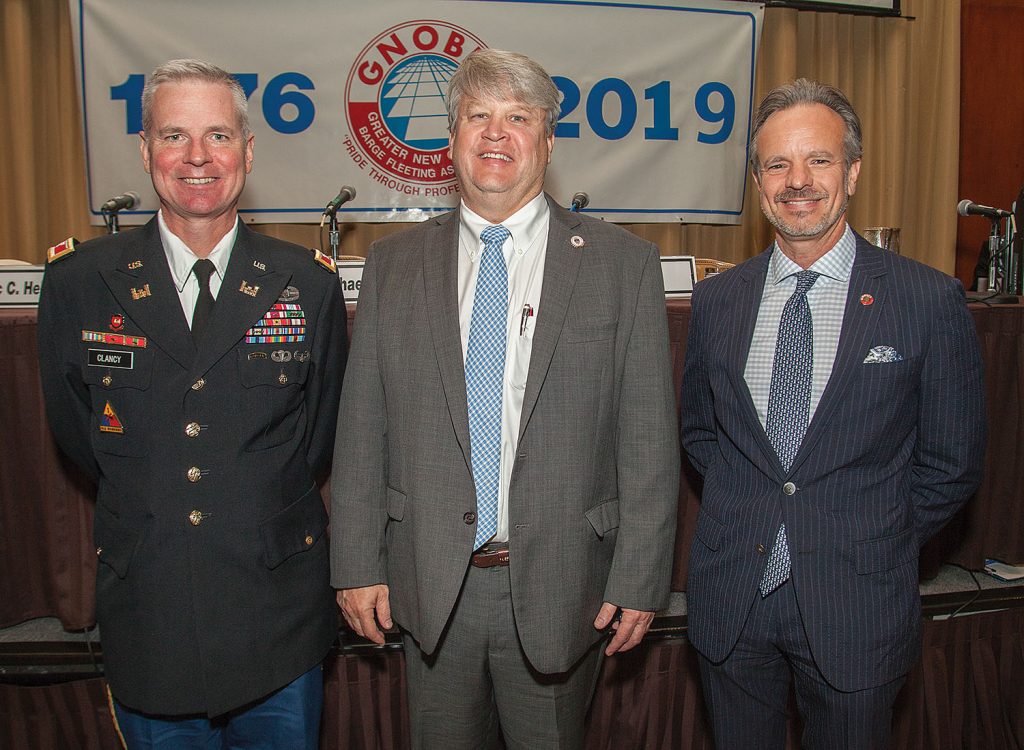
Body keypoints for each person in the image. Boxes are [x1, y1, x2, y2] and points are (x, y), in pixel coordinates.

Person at [330, 48, 678, 749]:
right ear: (450, 139)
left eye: (518, 118)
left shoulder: (621, 265)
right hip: (430, 586)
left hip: (563, 584)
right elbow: (363, 429)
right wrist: (356, 564)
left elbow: (647, 437)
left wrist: (641, 577)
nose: (496, 134)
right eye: (477, 116)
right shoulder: (393, 266)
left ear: (548, 143)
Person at [37, 59, 347, 748]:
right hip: (152, 615)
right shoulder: (79, 284)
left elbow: (318, 437)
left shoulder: (307, 285)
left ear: (248, 149)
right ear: (146, 151)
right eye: (174, 136)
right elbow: (76, 433)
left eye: (218, 135)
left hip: (277, 619)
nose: (198, 158)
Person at [681, 78, 986, 748]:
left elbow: (952, 463)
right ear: (758, 181)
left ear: (851, 172)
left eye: (818, 160)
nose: (798, 181)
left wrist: (871, 533)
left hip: (858, 602)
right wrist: (750, 505)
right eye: (777, 164)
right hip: (734, 598)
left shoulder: (927, 300)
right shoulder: (718, 301)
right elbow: (702, 435)